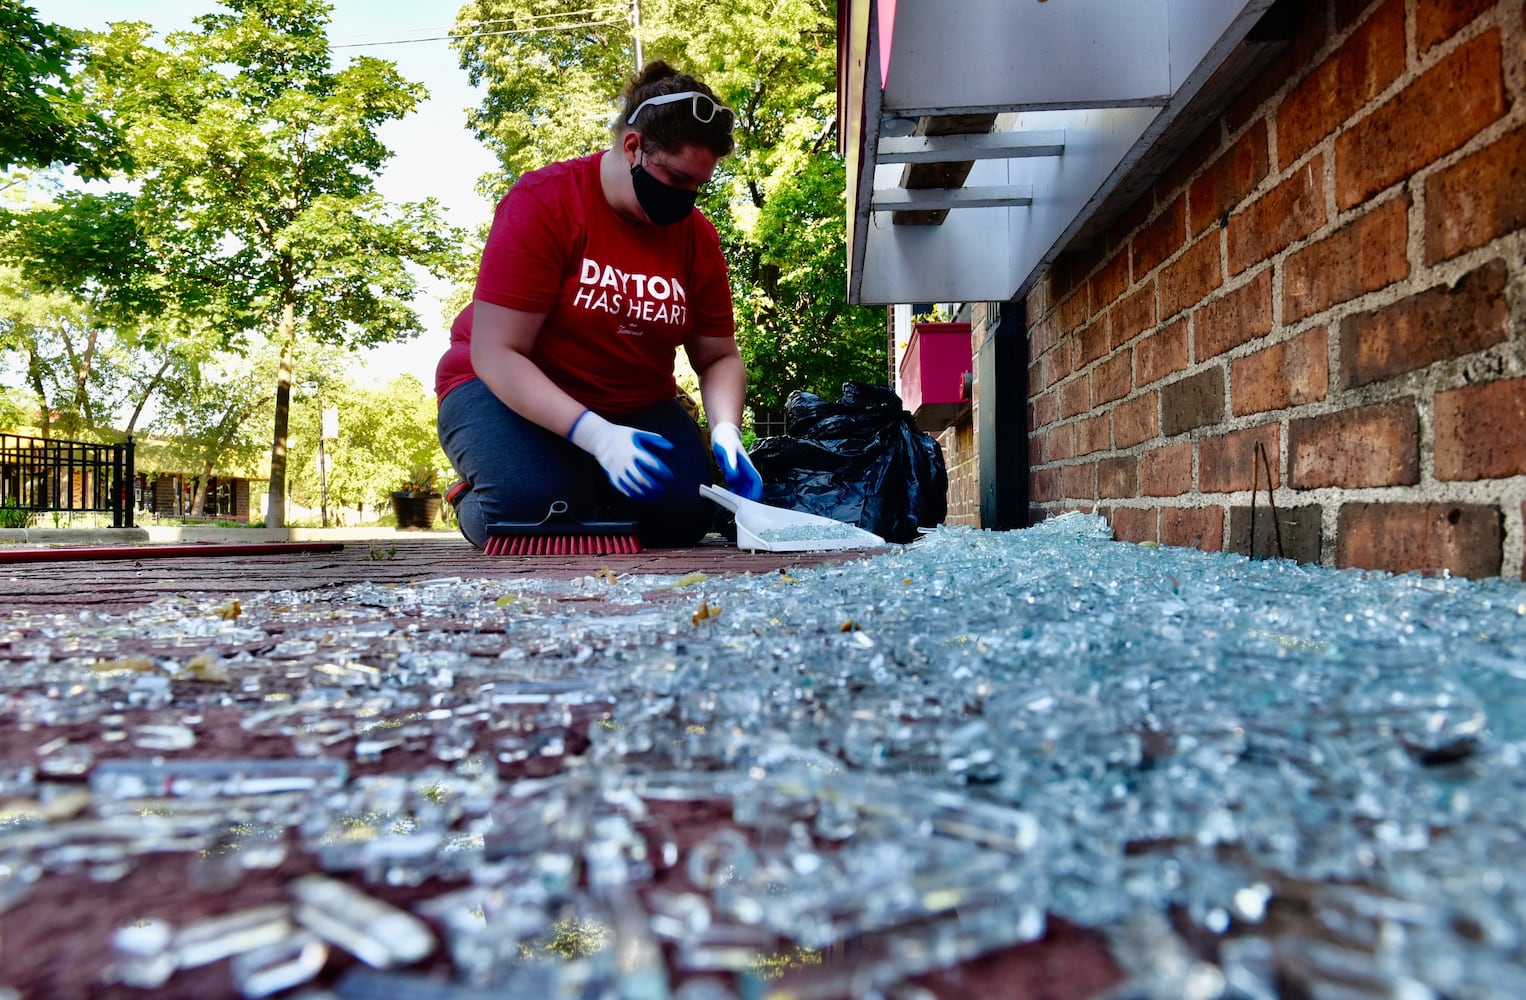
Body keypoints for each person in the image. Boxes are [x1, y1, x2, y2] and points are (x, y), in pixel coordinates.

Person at [435, 62, 763, 549]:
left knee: (685, 518)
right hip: (502, 392)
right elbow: (496, 353)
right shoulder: (544, 203)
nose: (688, 199)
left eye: (700, 185)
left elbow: (718, 355)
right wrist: (596, 437)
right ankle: (488, 489)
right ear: (633, 147)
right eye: (677, 180)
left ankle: (588, 492)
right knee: (529, 510)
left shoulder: (696, 237)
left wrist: (726, 433)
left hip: (633, 402)